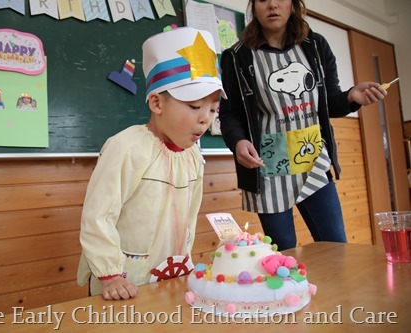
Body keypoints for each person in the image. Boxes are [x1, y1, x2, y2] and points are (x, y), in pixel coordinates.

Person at [219, 0, 387, 251]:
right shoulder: (237, 56)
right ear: (254, 7)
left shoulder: (316, 46)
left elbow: (330, 101)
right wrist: (238, 141)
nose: (272, 5)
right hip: (268, 170)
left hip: (314, 162)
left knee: (335, 246)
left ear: (294, 4)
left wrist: (351, 97)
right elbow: (229, 114)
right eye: (263, 0)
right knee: (283, 252)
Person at [77, 27, 227, 300]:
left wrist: (185, 262)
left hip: (171, 279)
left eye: (213, 109)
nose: (206, 119)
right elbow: (98, 217)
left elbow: (189, 218)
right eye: (195, 106)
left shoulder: (193, 155)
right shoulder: (126, 148)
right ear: (157, 103)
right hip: (122, 284)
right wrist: (110, 275)